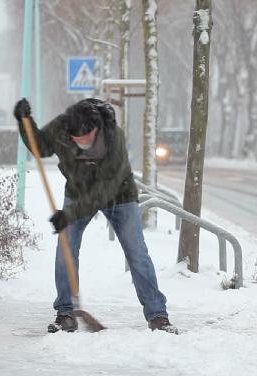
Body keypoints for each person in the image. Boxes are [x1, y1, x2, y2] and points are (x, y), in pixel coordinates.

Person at [13, 96, 177, 334]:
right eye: (77, 139)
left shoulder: (114, 138)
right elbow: (41, 146)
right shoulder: (62, 127)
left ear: (96, 128)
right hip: (78, 193)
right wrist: (24, 121)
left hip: (118, 195)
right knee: (66, 248)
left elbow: (104, 191)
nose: (83, 142)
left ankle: (158, 315)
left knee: (137, 252)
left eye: (87, 136)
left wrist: (70, 214)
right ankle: (65, 312)